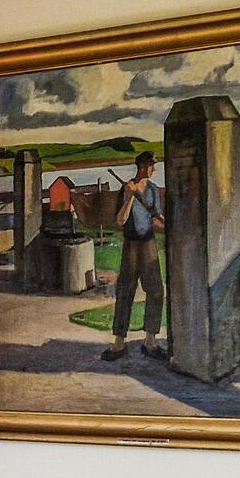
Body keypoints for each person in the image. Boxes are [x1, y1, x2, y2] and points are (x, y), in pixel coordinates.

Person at [104, 151, 166, 362]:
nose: (153, 169)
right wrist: (130, 196)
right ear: (141, 166)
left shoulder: (153, 189)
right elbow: (120, 220)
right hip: (131, 245)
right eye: (150, 165)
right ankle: (119, 344)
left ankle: (150, 341)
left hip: (148, 244)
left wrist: (167, 225)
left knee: (156, 290)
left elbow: (156, 216)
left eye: (153, 165)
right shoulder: (126, 188)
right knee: (125, 291)